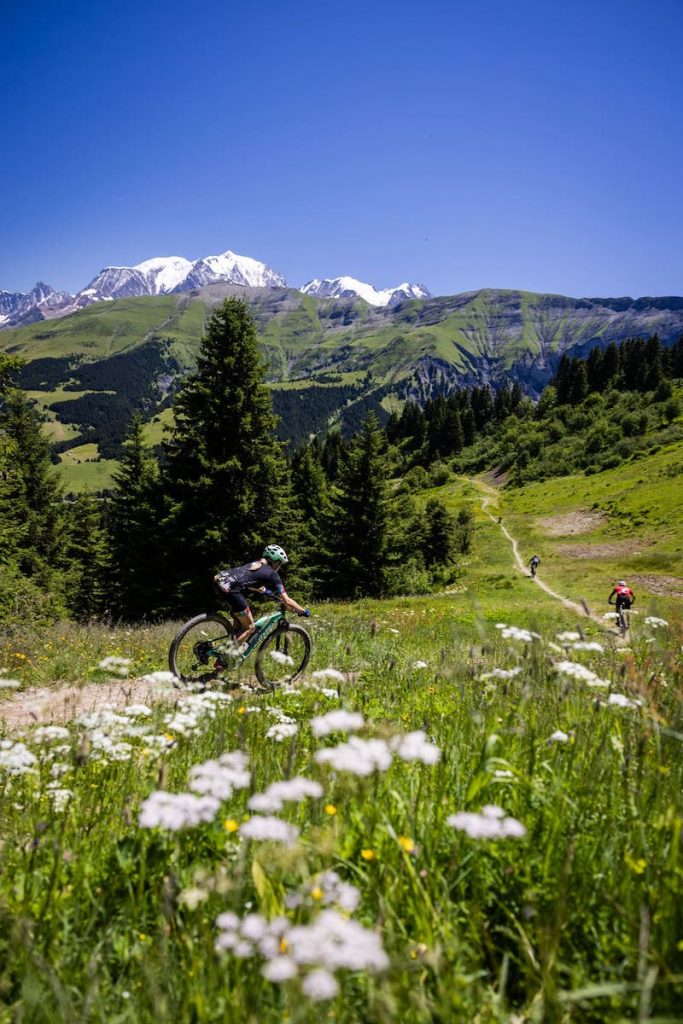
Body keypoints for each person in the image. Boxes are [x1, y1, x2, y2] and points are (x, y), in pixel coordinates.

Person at [214, 544, 310, 649]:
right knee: (249, 627)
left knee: (239, 625)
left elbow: (246, 581)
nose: (279, 567)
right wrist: (303, 611)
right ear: (276, 561)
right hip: (231, 589)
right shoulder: (272, 573)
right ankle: (223, 656)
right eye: (280, 564)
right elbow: (287, 600)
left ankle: (225, 653)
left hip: (219, 579)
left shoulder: (255, 564)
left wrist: (265, 591)